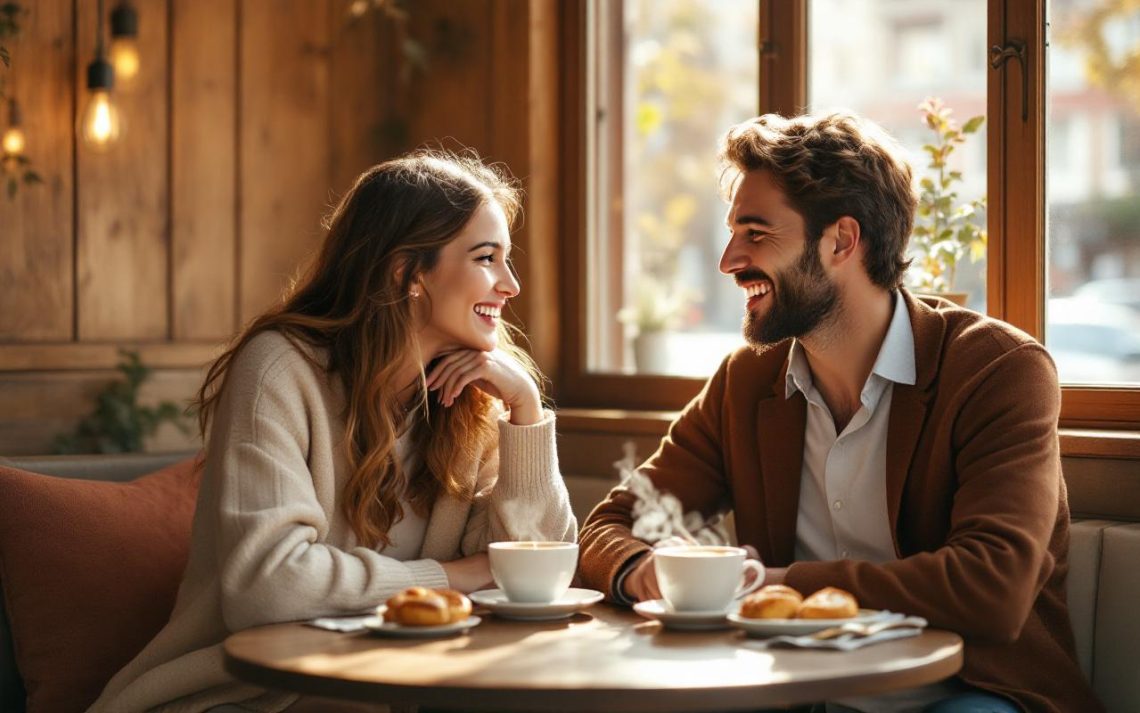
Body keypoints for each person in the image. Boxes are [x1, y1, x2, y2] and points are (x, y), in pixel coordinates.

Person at [578, 112, 1102, 713]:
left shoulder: (996, 369)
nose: (728, 260)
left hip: (970, 692)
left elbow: (994, 587)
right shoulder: (747, 382)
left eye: (755, 233)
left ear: (841, 241)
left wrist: (774, 586)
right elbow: (610, 525)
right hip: (792, 693)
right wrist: (645, 570)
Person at [89, 149, 577, 713]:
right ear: (407, 272)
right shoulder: (279, 369)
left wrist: (526, 411)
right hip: (246, 697)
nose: (511, 285)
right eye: (487, 258)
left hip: (402, 691)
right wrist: (455, 574)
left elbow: (541, 571)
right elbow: (269, 590)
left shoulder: (469, 397)